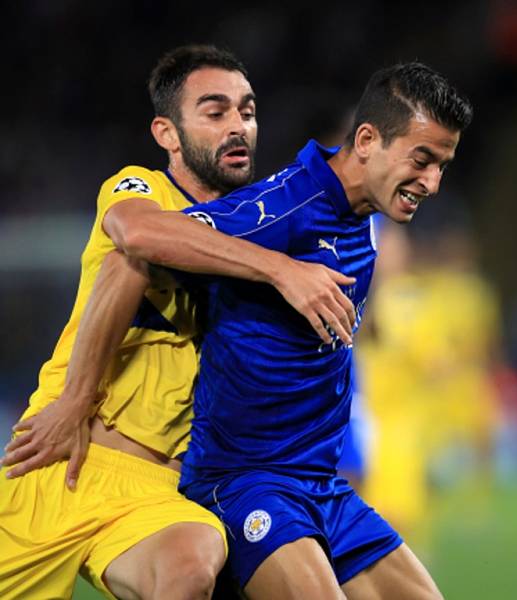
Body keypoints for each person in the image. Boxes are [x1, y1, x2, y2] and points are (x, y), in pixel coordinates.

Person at [0, 45, 355, 600]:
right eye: (216, 113)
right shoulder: (141, 189)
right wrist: (282, 270)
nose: (238, 126)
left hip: (156, 492)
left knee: (192, 566)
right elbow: (136, 238)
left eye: (248, 110)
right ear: (167, 133)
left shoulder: (260, 223)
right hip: (59, 460)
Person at [175, 61, 473, 599]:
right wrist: (279, 269)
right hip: (246, 482)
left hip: (321, 485)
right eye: (422, 160)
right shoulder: (287, 205)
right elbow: (142, 231)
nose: (432, 183)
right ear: (365, 140)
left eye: (442, 166)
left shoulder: (366, 225)